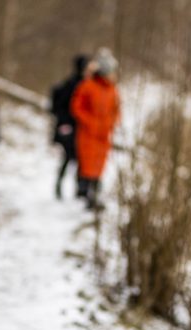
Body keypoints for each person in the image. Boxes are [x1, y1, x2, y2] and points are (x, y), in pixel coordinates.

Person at [70, 48, 120, 210]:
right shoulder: (88, 86)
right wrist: (90, 123)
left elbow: (116, 110)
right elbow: (77, 107)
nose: (113, 75)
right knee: (88, 167)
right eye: (111, 72)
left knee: (99, 166)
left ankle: (94, 196)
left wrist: (112, 123)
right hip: (88, 135)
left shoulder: (112, 89)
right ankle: (86, 196)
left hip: (104, 135)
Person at [50, 54, 90, 199]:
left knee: (75, 159)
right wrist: (65, 124)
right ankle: (68, 188)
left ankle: (77, 190)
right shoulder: (74, 85)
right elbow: (61, 107)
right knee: (70, 159)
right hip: (71, 129)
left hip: (77, 129)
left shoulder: (80, 83)